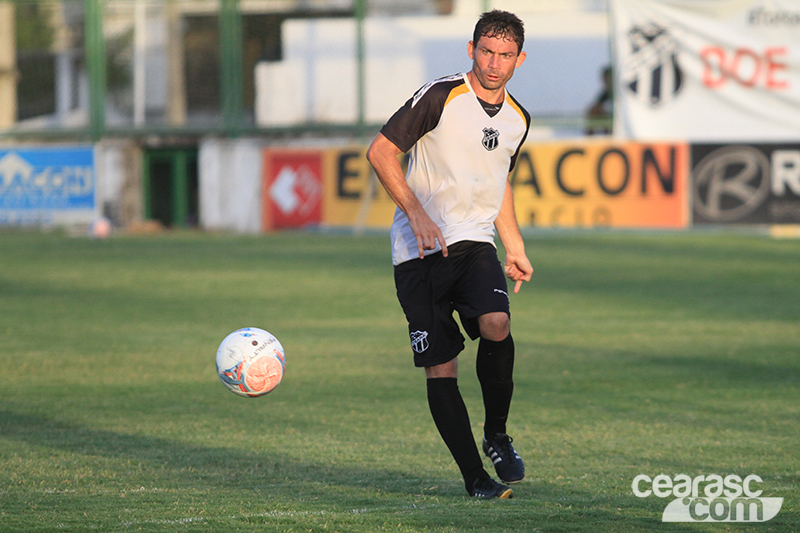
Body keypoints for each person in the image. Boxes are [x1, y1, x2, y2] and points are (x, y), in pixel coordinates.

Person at [366, 10, 533, 499]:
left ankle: (497, 435)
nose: (494, 63)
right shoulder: (440, 95)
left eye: (505, 55)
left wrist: (516, 245)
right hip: (418, 253)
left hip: (474, 241)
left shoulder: (518, 119)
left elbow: (498, 181)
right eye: (486, 51)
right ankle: (475, 479)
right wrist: (416, 214)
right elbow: (380, 151)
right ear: (470, 49)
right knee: (442, 367)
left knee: (497, 323)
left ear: (519, 59)